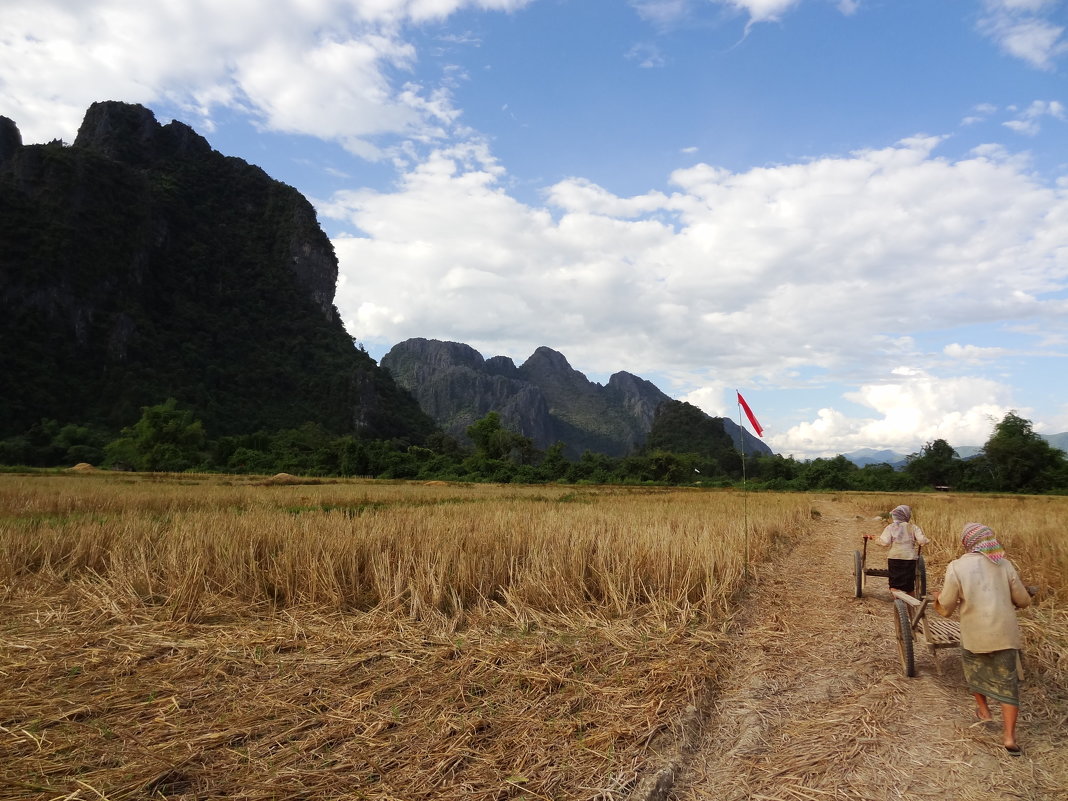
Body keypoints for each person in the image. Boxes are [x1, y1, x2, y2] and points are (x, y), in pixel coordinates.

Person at [934, 522, 1032, 755]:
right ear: (988, 540)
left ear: (966, 543)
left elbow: (946, 607)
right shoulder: (1004, 564)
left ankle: (984, 710)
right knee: (1008, 685)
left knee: (974, 673)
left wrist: (938, 599)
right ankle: (1009, 737)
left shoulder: (957, 567)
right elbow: (1023, 600)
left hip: (975, 634)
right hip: (1004, 635)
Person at [864, 504, 928, 595]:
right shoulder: (913, 527)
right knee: (909, 588)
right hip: (909, 559)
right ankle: (911, 607)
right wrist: (926, 541)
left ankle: (899, 604)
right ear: (907, 515)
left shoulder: (890, 527)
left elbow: (885, 542)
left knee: (895, 586)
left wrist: (875, 539)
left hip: (895, 558)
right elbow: (922, 541)